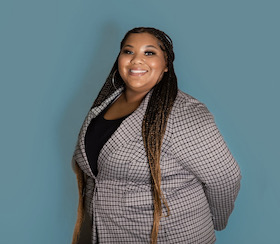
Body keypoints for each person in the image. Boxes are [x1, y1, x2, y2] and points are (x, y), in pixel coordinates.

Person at [71, 27, 241, 244]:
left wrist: (216, 220)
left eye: (149, 53)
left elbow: (225, 178)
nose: (136, 60)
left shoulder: (185, 115)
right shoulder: (105, 103)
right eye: (128, 51)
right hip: (109, 234)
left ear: (166, 64)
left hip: (169, 237)